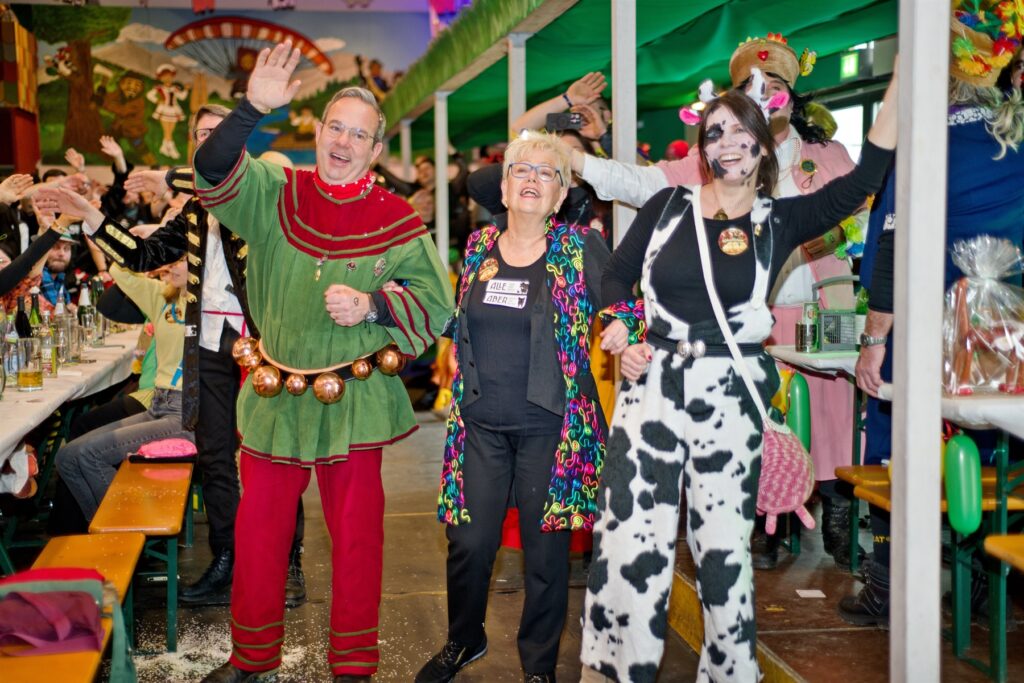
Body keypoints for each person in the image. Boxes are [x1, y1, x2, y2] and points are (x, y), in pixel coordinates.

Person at [579, 67, 897, 682]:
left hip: (730, 397)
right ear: (702, 147)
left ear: (763, 142)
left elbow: (862, 182)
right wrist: (622, 329)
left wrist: (900, 87)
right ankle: (614, 672)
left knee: (724, 555)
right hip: (652, 389)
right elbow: (616, 275)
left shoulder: (780, 220)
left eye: (739, 131)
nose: (726, 143)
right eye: (714, 132)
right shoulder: (668, 206)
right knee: (627, 544)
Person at [189, 41, 453, 683]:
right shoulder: (276, 191)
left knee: (359, 539)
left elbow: (437, 302)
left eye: (359, 134)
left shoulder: (396, 218)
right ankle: (252, 657)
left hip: (354, 400)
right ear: (317, 131)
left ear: (376, 149)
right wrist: (251, 108)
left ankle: (354, 667)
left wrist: (374, 306)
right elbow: (212, 169)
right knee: (258, 534)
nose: (343, 142)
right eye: (336, 127)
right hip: (275, 391)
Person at [570, 33, 869, 570]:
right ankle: (764, 525)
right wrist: (572, 159)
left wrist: (836, 232)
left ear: (790, 95)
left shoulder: (828, 154)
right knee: (757, 418)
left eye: (773, 84)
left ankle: (840, 523)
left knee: (834, 415)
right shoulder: (712, 159)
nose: (762, 92)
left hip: (823, 309)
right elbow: (638, 184)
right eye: (750, 86)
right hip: (747, 324)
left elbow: (864, 209)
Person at [35, 105, 308, 609]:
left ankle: (288, 564)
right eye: (201, 134)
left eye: (217, 133)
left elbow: (253, 183)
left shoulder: (261, 189)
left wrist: (167, 177)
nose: (209, 141)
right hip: (209, 341)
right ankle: (226, 560)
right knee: (217, 459)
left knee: (276, 454)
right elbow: (142, 256)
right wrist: (92, 215)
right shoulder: (196, 209)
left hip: (263, 343)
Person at [841, 0, 1024, 626]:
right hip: (1002, 334)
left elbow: (891, 240)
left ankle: (890, 583)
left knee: (896, 444)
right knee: (993, 450)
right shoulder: (1014, 138)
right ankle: (982, 583)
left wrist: (875, 338)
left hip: (925, 330)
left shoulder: (926, 137)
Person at [415, 131, 609, 683]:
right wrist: (389, 311)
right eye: (521, 170)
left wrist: (629, 331)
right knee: (469, 543)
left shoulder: (579, 247)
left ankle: (539, 665)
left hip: (552, 428)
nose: (532, 180)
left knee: (546, 556)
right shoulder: (479, 246)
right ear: (503, 188)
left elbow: (627, 303)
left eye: (547, 174)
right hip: (479, 423)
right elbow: (459, 322)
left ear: (561, 194)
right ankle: (464, 639)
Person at [54, 258, 192, 523]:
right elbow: (120, 270)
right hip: (158, 405)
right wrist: (153, 250)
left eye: (181, 260)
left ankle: (125, 528)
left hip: (187, 412)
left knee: (89, 455)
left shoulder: (211, 304)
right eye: (169, 260)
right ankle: (103, 530)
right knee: (66, 457)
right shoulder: (162, 296)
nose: (171, 266)